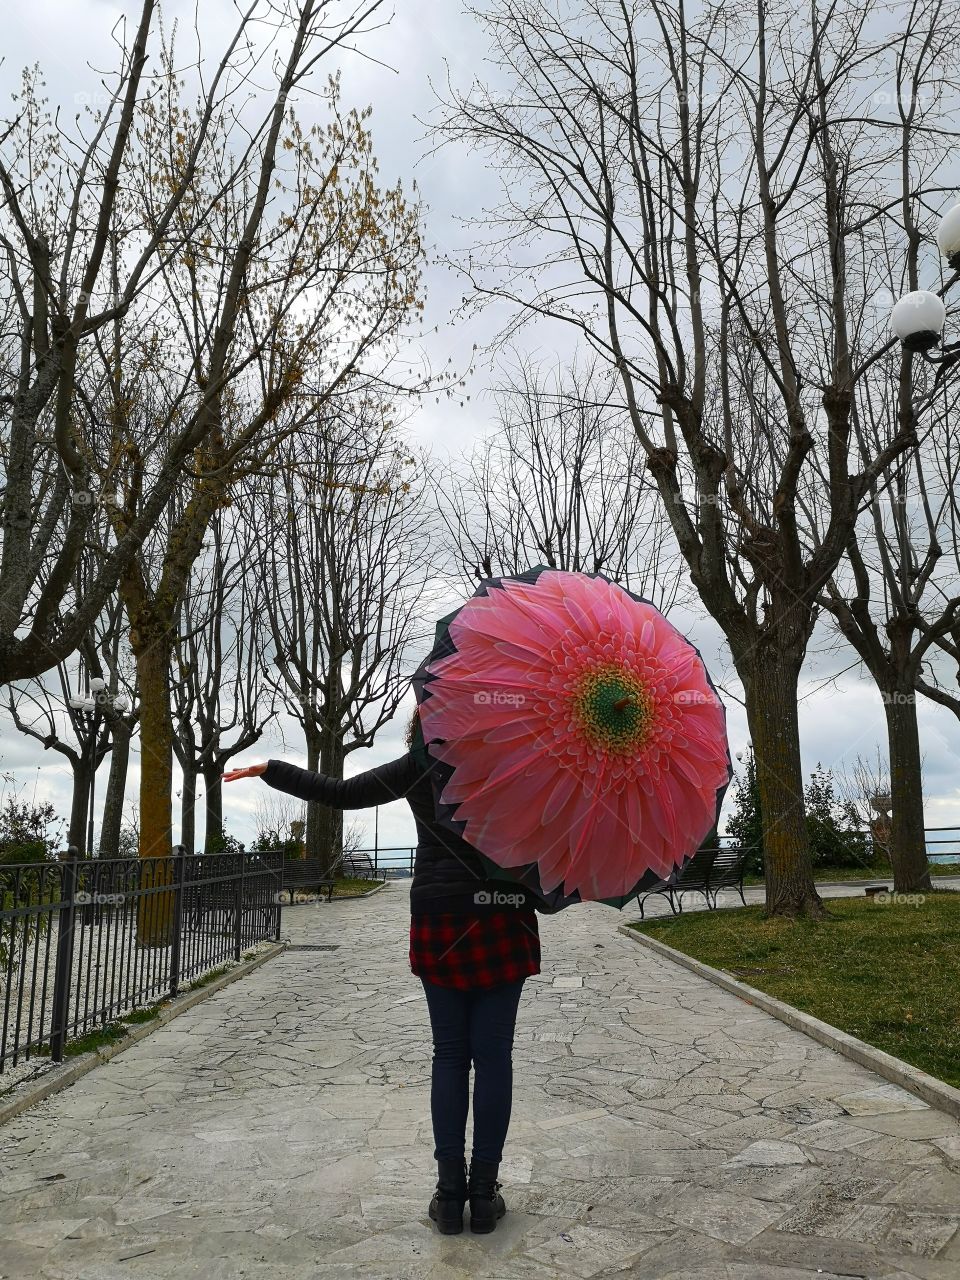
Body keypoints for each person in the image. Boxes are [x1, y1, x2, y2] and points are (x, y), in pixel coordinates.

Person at [223, 705, 556, 1236]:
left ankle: (450, 1197)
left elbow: (342, 793)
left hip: (438, 920)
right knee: (493, 1058)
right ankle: (483, 1192)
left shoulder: (419, 764)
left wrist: (273, 769)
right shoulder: (514, 763)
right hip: (501, 918)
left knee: (449, 1054)